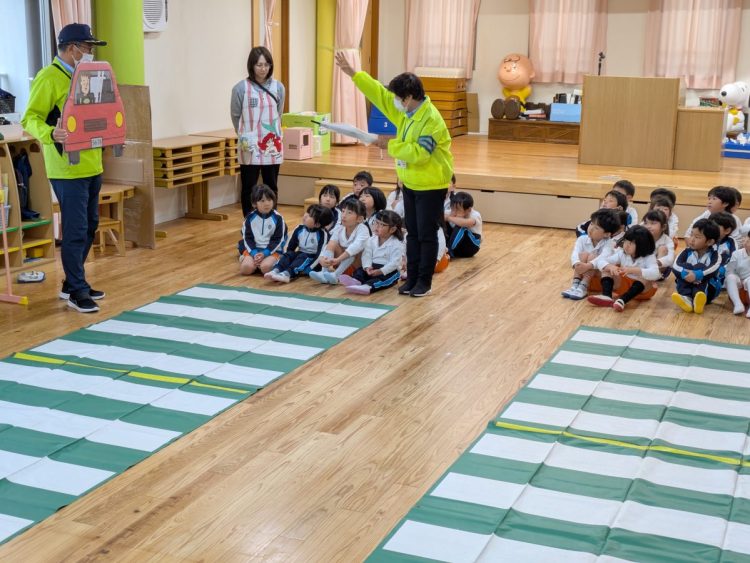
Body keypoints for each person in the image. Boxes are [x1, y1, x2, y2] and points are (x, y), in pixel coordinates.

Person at [335, 52, 453, 298]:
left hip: (431, 185)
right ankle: (412, 278)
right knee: (413, 234)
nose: (395, 101)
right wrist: (353, 74)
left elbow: (420, 153)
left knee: (426, 235)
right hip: (410, 182)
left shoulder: (432, 120)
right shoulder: (406, 111)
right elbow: (380, 94)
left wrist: (388, 144)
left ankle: (424, 281)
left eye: (399, 98)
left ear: (408, 98)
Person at [21, 23, 107, 313]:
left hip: (92, 163)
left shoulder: (87, 75)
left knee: (90, 226)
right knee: (76, 230)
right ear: (73, 48)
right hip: (67, 168)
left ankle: (72, 283)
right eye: (88, 47)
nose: (91, 52)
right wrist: (50, 133)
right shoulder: (49, 77)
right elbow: (29, 118)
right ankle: (77, 290)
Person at [231, 46, 285, 217]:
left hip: (271, 143)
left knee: (271, 184)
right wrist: (246, 135)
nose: (263, 69)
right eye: (259, 65)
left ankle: (272, 219)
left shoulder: (278, 87)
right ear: (251, 66)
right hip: (250, 144)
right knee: (248, 185)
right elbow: (235, 116)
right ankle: (249, 219)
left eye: (267, 65)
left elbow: (279, 113)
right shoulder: (240, 88)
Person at [588, 225, 659, 312]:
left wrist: (634, 270)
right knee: (607, 268)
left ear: (642, 245)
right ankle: (606, 296)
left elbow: (656, 273)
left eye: (631, 243)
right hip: (624, 287)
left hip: (643, 291)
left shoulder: (649, 257)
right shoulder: (622, 253)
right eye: (626, 241)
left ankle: (622, 300)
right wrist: (610, 266)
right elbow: (600, 261)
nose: (626, 245)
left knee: (645, 278)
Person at [340, 210, 405, 295]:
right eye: (376, 222)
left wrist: (381, 271)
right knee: (360, 271)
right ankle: (356, 280)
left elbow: (395, 263)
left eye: (382, 224)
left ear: (392, 229)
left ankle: (368, 286)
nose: (377, 226)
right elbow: (366, 255)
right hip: (373, 267)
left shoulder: (396, 244)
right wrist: (367, 267)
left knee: (382, 279)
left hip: (388, 271)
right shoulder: (371, 240)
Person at [562, 209, 621, 300]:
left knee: (592, 256)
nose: (591, 228)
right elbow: (575, 252)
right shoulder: (582, 239)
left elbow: (603, 258)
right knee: (582, 255)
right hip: (584, 271)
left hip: (602, 275)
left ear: (606, 234)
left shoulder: (609, 243)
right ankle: (575, 285)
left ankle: (583, 287)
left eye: (596, 228)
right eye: (591, 224)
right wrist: (576, 263)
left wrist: (588, 265)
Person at [265, 204, 333, 283]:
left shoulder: (322, 235)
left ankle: (287, 274)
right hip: (300, 254)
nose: (306, 216)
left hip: (313, 260)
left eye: (310, 216)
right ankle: (276, 270)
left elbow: (320, 255)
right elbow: (291, 246)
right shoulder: (299, 228)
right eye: (307, 212)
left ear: (317, 224)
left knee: (303, 256)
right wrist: (287, 256)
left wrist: (310, 268)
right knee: (289, 254)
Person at [309, 199, 370, 285]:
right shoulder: (339, 228)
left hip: (358, 268)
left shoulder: (363, 229)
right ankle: (324, 273)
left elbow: (355, 248)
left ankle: (336, 275)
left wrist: (338, 260)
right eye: (343, 211)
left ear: (359, 219)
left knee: (353, 251)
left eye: (349, 213)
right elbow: (329, 245)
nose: (344, 215)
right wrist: (321, 258)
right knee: (332, 244)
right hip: (340, 264)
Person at [672, 218, 721, 314]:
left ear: (710, 242)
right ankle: (687, 299)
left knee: (700, 266)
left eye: (697, 237)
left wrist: (697, 275)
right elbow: (675, 266)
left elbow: (714, 269)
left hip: (709, 291)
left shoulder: (715, 255)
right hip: (688, 284)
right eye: (691, 235)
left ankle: (698, 298)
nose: (692, 239)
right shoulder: (686, 251)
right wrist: (685, 274)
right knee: (685, 267)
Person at [237, 185, 286, 275]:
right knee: (245, 269)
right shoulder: (249, 218)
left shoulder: (278, 218)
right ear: (254, 203)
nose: (267, 203)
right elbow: (247, 238)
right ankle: (251, 260)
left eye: (269, 200)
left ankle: (269, 262)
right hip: (254, 250)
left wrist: (265, 253)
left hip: (272, 251)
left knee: (265, 268)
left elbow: (278, 240)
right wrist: (254, 253)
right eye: (262, 201)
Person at [445, 191, 482, 258]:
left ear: (468, 210)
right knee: (443, 223)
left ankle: (448, 252)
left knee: (461, 227)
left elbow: (465, 223)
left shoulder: (475, 215)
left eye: (457, 210)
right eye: (452, 209)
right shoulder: (451, 213)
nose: (454, 212)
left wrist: (448, 218)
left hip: (470, 247)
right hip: (457, 248)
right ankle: (442, 249)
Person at [641, 209, 674, 278]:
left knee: (663, 248)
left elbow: (671, 258)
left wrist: (657, 262)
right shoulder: (641, 237)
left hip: (659, 269)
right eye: (646, 223)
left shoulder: (667, 240)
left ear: (663, 227)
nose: (648, 226)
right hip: (643, 266)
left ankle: (655, 276)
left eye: (653, 223)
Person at [725, 236, 750, 316]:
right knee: (730, 277)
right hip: (739, 283)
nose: (747, 242)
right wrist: (740, 280)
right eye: (747, 240)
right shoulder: (737, 254)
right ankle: (738, 304)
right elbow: (729, 271)